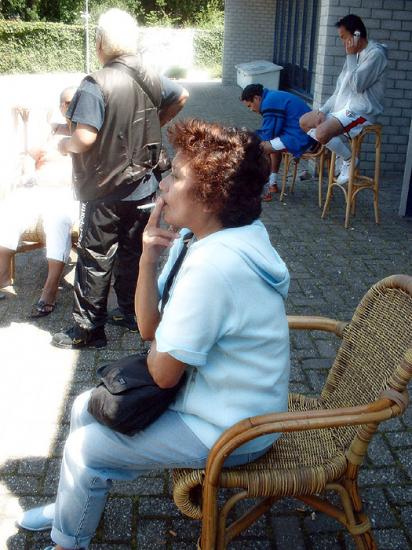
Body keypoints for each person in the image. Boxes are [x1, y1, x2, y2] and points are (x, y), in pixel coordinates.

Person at [17, 119, 291, 549]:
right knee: (84, 405)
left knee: (87, 447)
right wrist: (147, 256)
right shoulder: (199, 238)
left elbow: (162, 372)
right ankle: (70, 502)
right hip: (210, 400)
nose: (162, 185)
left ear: (211, 195)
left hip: (235, 429)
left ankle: (68, 540)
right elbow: (149, 328)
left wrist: (172, 332)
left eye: (176, 177)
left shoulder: (217, 265)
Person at [52, 8, 189, 349]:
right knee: (133, 252)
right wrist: (157, 120)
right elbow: (181, 94)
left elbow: (84, 138)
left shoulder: (95, 83)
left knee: (96, 258)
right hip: (145, 184)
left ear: (100, 43)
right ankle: (131, 313)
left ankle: (88, 330)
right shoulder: (151, 76)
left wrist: (63, 144)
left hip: (105, 189)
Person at [0, 87, 79, 316]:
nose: (70, 106)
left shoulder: (88, 131)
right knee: (8, 210)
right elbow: (30, 153)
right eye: (66, 102)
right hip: (39, 188)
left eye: (75, 101)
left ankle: (50, 288)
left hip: (69, 192)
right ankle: (2, 275)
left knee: (57, 220)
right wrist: (23, 123)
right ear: (60, 106)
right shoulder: (51, 130)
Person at [300, 14, 388, 184]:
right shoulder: (354, 57)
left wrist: (350, 56)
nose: (342, 42)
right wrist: (322, 111)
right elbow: (339, 91)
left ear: (356, 35)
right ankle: (342, 154)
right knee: (305, 121)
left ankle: (349, 159)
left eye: (343, 37)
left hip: (362, 112)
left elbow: (357, 86)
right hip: (344, 109)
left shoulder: (376, 55)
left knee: (321, 133)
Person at [241, 83, 316, 202]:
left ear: (256, 98)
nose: (251, 110)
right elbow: (272, 132)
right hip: (302, 133)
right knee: (271, 145)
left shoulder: (269, 104)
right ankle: (272, 184)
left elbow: (268, 134)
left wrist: (247, 136)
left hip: (300, 137)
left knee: (260, 148)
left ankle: (263, 189)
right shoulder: (271, 97)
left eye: (250, 105)